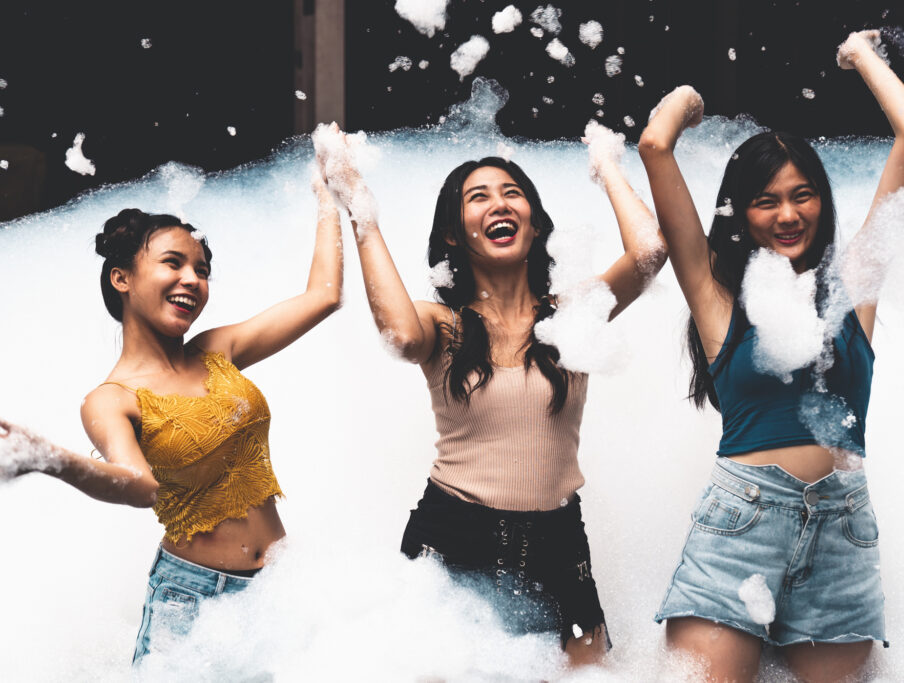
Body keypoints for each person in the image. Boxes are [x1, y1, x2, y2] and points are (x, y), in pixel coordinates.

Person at [315, 124, 666, 666]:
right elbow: (400, 337)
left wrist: (607, 166)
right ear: (455, 234)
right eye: (478, 198)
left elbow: (649, 253)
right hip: (455, 538)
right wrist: (358, 202)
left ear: (534, 222)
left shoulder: (569, 316)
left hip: (558, 541)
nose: (499, 204)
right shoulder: (443, 324)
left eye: (512, 193)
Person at [638, 31, 904, 682]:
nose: (788, 213)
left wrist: (860, 55)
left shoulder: (855, 289)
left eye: (802, 194)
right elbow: (654, 147)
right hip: (740, 522)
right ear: (741, 213)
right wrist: (688, 101)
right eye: (766, 199)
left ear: (822, 202)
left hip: (843, 533)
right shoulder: (719, 303)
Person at [0, 165, 343, 664]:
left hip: (281, 586)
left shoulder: (215, 350)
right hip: (197, 601)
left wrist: (330, 193)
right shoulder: (112, 399)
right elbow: (140, 487)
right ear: (122, 278)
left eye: (202, 270)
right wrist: (47, 457)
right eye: (174, 263)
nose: (192, 279)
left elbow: (323, 296)